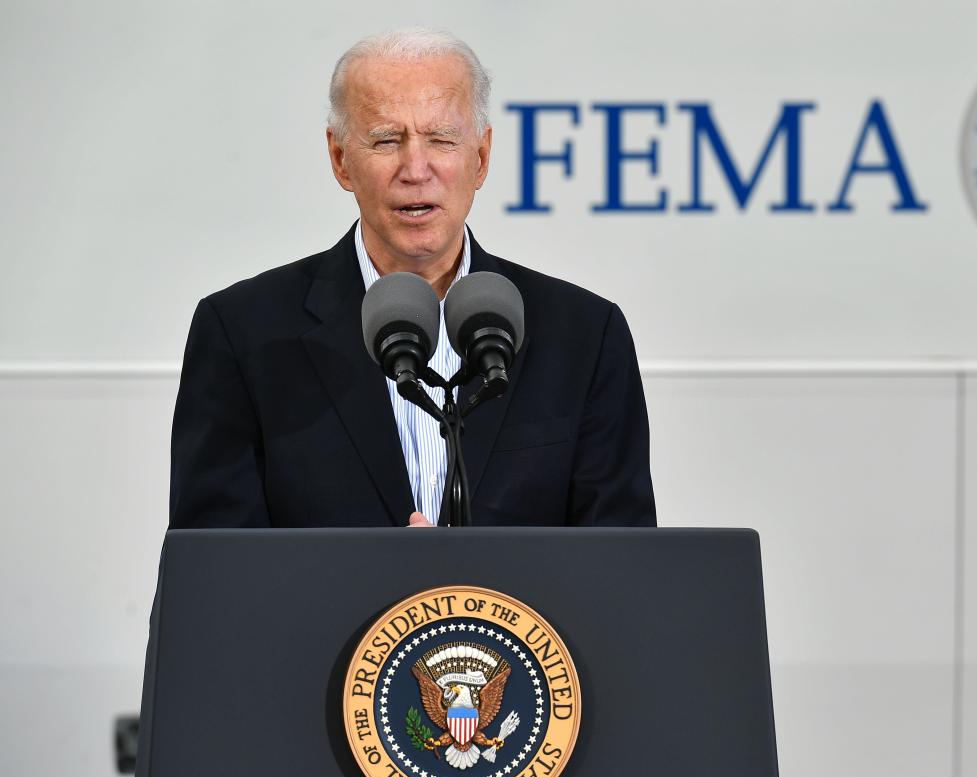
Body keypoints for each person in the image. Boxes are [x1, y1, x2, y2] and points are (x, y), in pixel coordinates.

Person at [169, 27, 656, 529]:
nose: (415, 168)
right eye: (386, 140)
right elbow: (213, 577)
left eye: (441, 139)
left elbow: (622, 575)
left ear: (482, 157)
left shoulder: (585, 335)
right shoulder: (242, 333)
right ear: (340, 159)